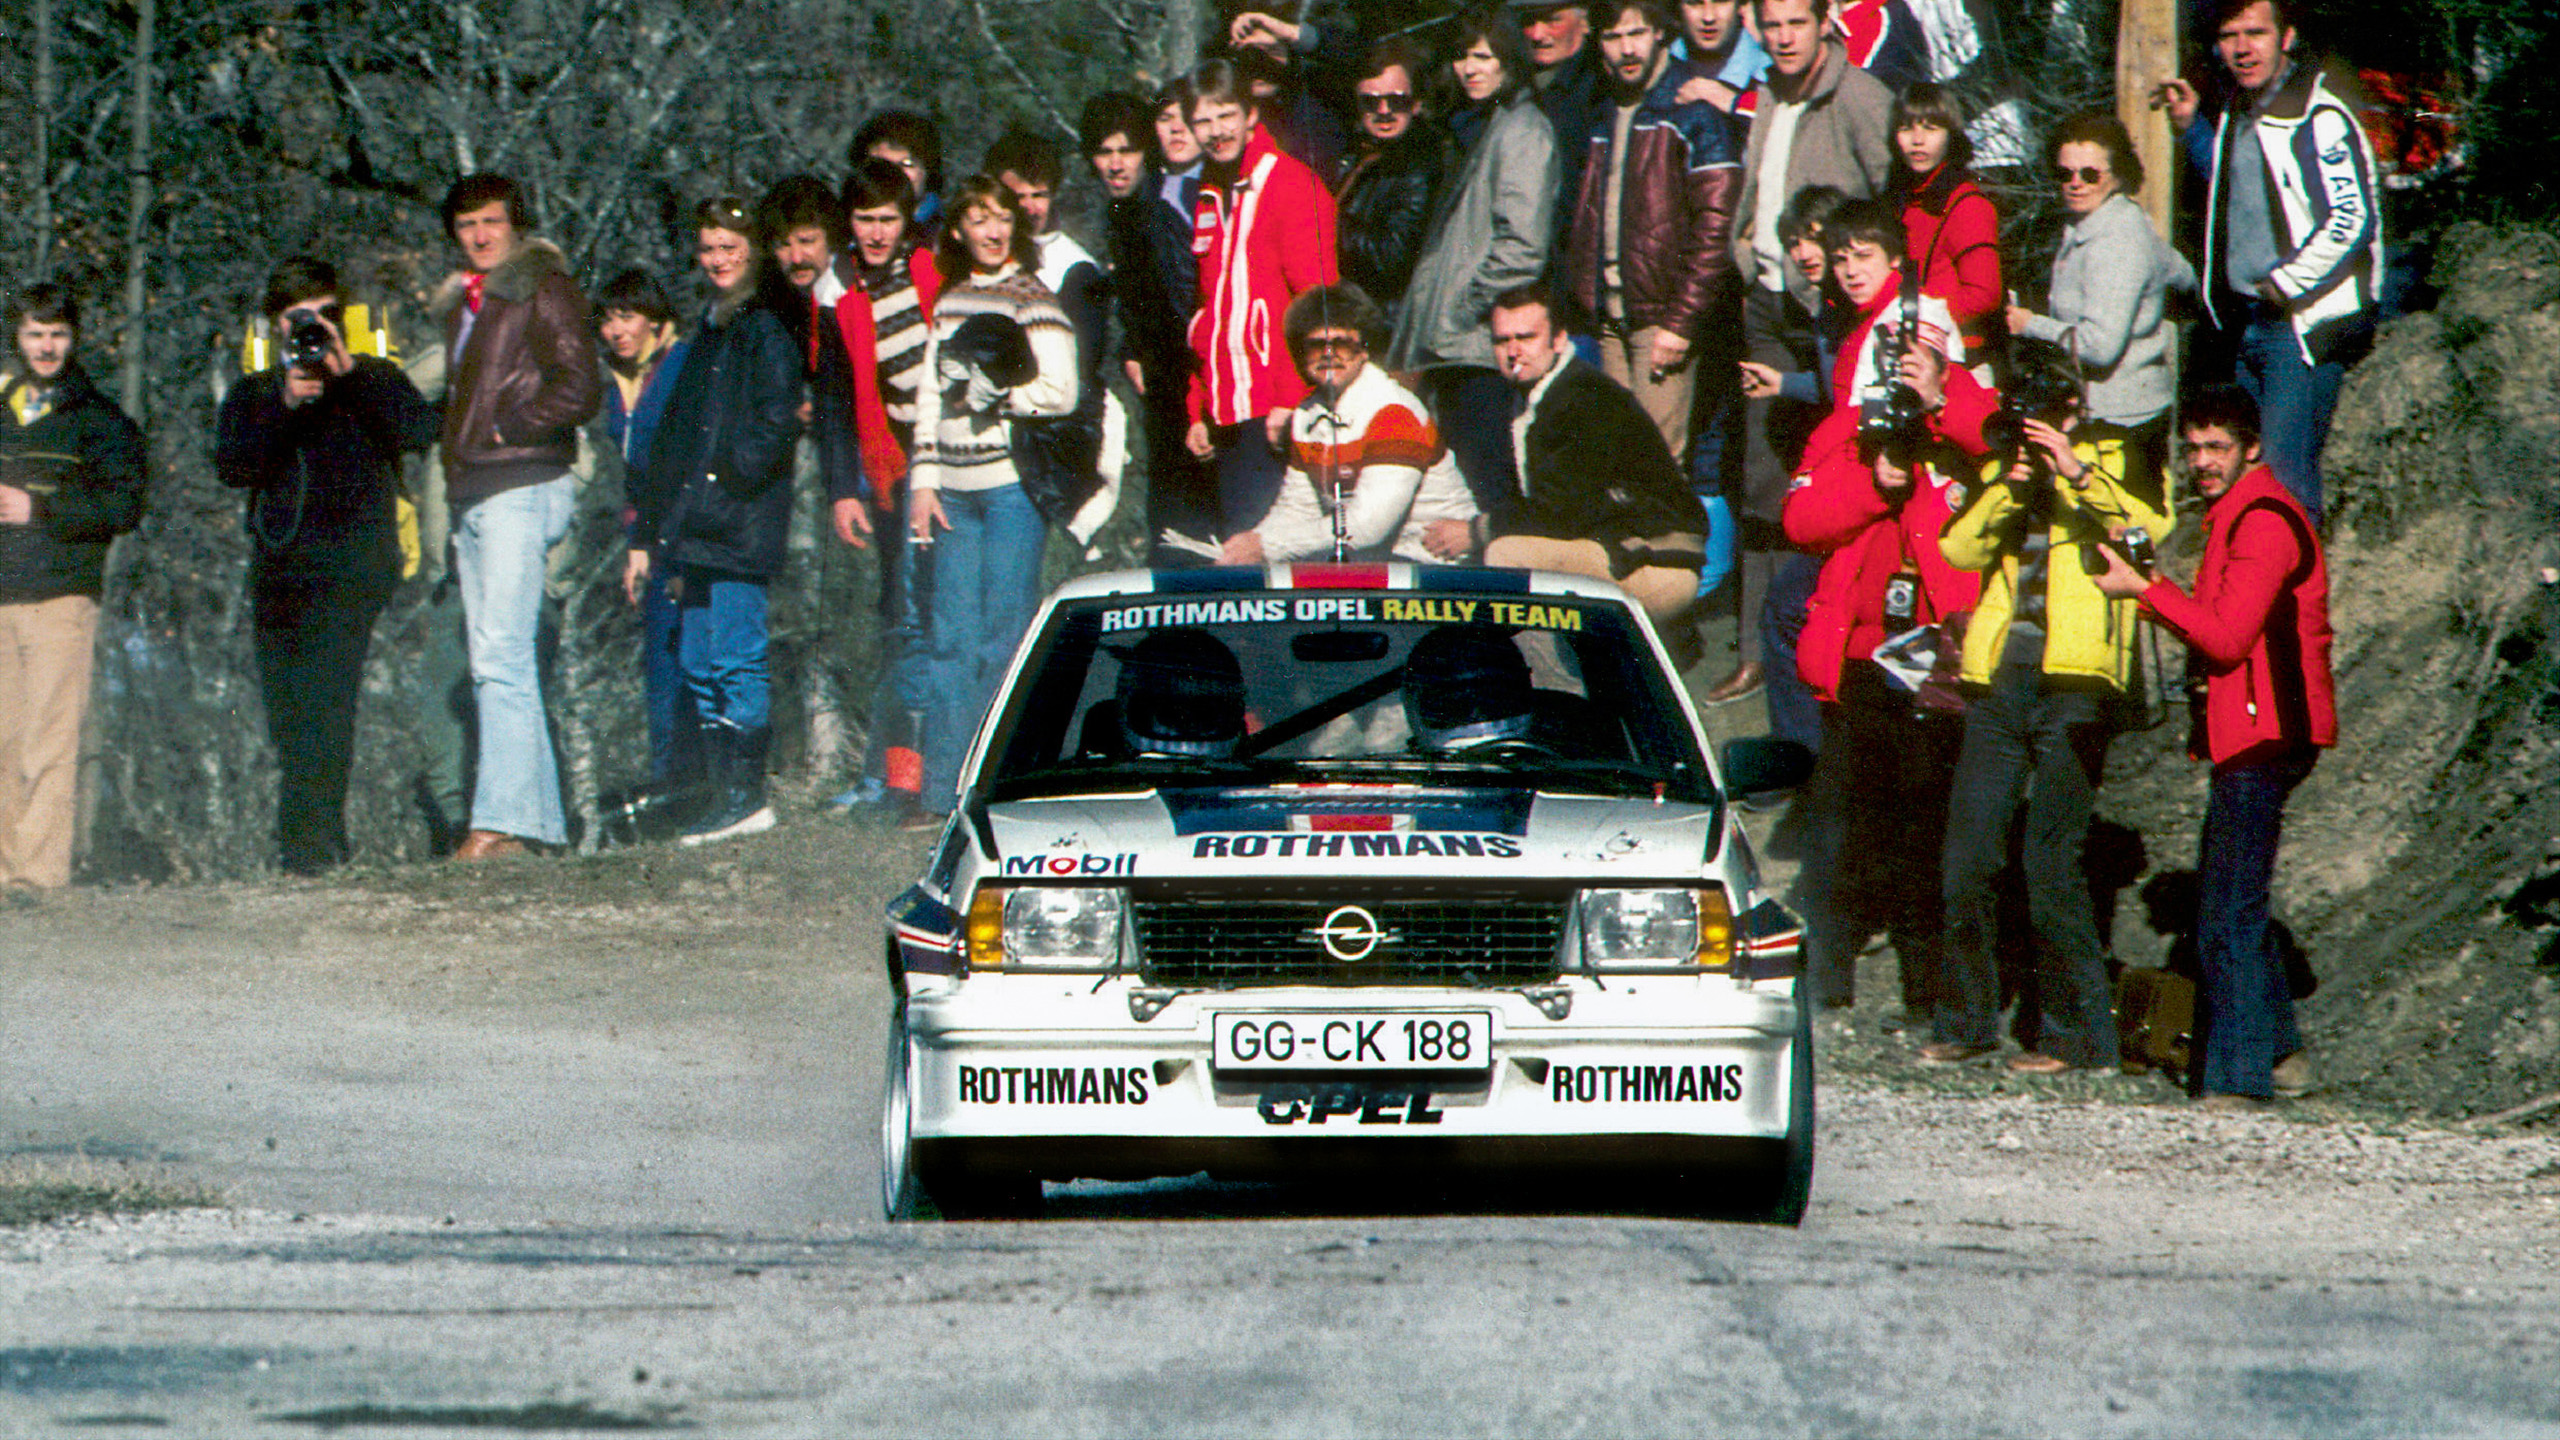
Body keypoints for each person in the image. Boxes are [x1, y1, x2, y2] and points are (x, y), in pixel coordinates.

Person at [1923, 341, 2173, 1074]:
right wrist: (2012, 484)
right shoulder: (2005, 466)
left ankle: (2077, 1035)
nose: (2034, 422)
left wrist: (2074, 470)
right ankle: (1967, 1020)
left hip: (2078, 683)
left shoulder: (2113, 451)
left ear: (2072, 405)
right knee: (1967, 858)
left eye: (2047, 409)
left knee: (2050, 863)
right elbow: (1959, 550)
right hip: (2002, 679)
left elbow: (2148, 531)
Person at [2092, 386, 2331, 1108]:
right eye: (2192, 448)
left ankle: (2238, 1080)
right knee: (2237, 903)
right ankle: (2281, 1056)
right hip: (2255, 727)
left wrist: (2147, 589)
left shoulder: (2261, 522)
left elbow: (2226, 637)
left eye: (2217, 447)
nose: (2202, 462)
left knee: (2226, 909)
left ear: (2251, 447)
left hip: (2266, 729)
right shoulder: (2238, 515)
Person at [1779, 250, 1984, 1011]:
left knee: (1925, 827)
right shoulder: (1846, 430)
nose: (1903, 371)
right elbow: (1801, 519)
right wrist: (1876, 478)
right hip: (1861, 653)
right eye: (1896, 357)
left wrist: (1942, 411)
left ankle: (1928, 989)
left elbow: (2001, 460)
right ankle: (1826, 979)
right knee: (1838, 828)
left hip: (1942, 651)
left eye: (1920, 358)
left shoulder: (1964, 427)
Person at [215, 258, 438, 875]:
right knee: (290, 715)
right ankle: (306, 847)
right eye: (298, 319)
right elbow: (233, 465)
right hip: (281, 570)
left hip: (351, 567)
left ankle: (315, 850)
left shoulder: (372, 377)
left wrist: (351, 375)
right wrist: (285, 402)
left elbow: (418, 430)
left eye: (325, 315)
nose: (313, 328)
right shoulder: (257, 390)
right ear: (275, 325)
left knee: (328, 704)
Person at [1719, 0, 1896, 706]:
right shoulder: (1767, 91)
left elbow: (1888, 200)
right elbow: (1755, 194)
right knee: (1763, 479)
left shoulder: (1859, 97)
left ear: (1826, 19)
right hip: (1767, 294)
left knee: (1833, 474)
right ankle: (1759, 649)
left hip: (1831, 302)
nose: (1784, 37)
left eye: (1797, 22)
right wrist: (1744, 257)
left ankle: (1829, 634)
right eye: (1772, 25)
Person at [430, 173, 602, 860]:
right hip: (473, 486)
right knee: (495, 658)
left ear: (516, 226)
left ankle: (499, 822)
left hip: (520, 482)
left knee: (500, 655)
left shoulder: (541, 286)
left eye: (491, 222)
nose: (478, 235)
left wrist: (511, 426)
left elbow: (580, 382)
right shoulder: (465, 303)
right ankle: (534, 829)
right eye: (466, 224)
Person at [2157, 0, 2380, 525]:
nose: (2241, 48)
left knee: (2286, 485)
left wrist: (2288, 281)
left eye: (2255, 33)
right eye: (2229, 35)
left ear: (2287, 37)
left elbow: (2351, 219)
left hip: (2300, 326)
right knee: (2249, 487)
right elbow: (2237, 183)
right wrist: (2192, 128)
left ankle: (2300, 607)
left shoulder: (2318, 118)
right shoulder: (2241, 109)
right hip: (2247, 323)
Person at [626, 198, 804, 845]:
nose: (718, 260)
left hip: (738, 524)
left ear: (752, 251)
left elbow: (773, 420)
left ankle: (749, 797)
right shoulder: (710, 329)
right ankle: (723, 795)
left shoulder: (764, 327)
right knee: (699, 658)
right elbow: (677, 433)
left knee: (735, 656)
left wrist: (730, 476)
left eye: (730, 247)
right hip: (698, 527)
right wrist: (656, 526)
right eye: (708, 249)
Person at [909, 175, 1080, 825]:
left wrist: (1002, 398)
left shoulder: (1033, 298)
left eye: (1002, 218)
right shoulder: (951, 301)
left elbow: (1061, 391)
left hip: (1010, 490)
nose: (992, 230)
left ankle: (997, 786)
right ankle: (940, 793)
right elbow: (929, 396)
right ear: (958, 229)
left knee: (1003, 638)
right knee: (950, 638)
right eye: (978, 219)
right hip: (953, 491)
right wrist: (923, 481)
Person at [1388, 6, 1558, 526]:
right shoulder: (1480, 127)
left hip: (1480, 344)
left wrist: (1465, 306)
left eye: (1483, 55)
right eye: (1462, 55)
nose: (1469, 67)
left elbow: (1523, 245)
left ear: (1509, 60)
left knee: (1486, 490)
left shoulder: (1524, 130)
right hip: (1454, 347)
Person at [0, 285, 145, 891]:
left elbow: (123, 505)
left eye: (57, 334)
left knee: (47, 742)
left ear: (74, 339)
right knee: (3, 742)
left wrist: (41, 510)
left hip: (60, 597)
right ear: (17, 339)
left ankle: (37, 879)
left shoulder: (100, 420)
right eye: (35, 334)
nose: (46, 346)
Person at [1561, 0, 1741, 463]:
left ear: (1660, 32)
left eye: (1636, 33)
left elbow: (1717, 225)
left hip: (1662, 318)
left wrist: (1680, 322)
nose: (1626, 49)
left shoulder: (1691, 106)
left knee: (1658, 464)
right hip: (1611, 319)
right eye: (1613, 37)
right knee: (1619, 462)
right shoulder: (1605, 109)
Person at [825, 159, 946, 824]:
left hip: (952, 461)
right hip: (893, 470)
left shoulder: (932, 271)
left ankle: (951, 772)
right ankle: (907, 781)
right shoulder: (845, 295)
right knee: (908, 622)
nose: (876, 233)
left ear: (908, 221)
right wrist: (847, 486)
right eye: (865, 220)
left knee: (950, 617)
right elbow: (840, 395)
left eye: (887, 220)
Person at [1481, 284, 1707, 624]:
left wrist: (1477, 529)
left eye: (1526, 337)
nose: (1513, 351)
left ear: (1558, 340)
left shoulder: (1584, 397)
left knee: (1506, 555)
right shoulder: (1529, 396)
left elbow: (1562, 514)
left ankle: (1555, 678)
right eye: (1502, 340)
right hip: (1609, 546)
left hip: (1656, 561)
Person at [1184, 57, 1341, 536]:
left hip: (1277, 409)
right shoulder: (1210, 192)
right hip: (1227, 410)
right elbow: (1210, 313)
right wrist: (1199, 408)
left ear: (1251, 113)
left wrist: (1293, 398)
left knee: (1272, 564)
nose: (1216, 131)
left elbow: (1318, 306)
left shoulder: (1290, 184)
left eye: (1226, 115)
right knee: (1237, 555)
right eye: (1203, 121)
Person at [1220, 284, 1478, 567]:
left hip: (1437, 564)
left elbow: (1367, 527)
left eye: (1341, 344)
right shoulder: (1306, 415)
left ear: (1364, 349)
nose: (1328, 354)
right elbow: (1298, 507)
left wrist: (1265, 546)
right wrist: (1245, 547)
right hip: (1375, 562)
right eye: (1315, 345)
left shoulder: (1394, 411)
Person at [2005, 110, 2195, 484]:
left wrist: (2030, 325)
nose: (2075, 183)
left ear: (2118, 175)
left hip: (2121, 422)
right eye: (2065, 173)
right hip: (2097, 411)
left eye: (2090, 174)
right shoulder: (2102, 222)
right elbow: (2181, 272)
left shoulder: (2116, 239)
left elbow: (2100, 346)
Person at [1087, 89, 1217, 566]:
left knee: (1189, 539)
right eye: (1104, 152)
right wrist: (1132, 346)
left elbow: (1186, 304)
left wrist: (1195, 393)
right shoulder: (1123, 212)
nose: (1116, 164)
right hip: (1165, 390)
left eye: (1127, 150)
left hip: (1194, 391)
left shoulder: (1165, 207)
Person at [596, 269, 698, 793]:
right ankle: (670, 784)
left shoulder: (681, 364)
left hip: (682, 531)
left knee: (690, 659)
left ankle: (697, 782)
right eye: (608, 320)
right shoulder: (613, 379)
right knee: (659, 664)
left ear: (655, 319)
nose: (616, 331)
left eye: (627, 317)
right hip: (643, 537)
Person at [1335, 37, 1456, 312]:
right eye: (1370, 102)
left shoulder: (1422, 163)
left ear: (1415, 103)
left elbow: (1391, 256)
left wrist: (1325, 222)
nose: (1384, 111)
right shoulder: (1360, 151)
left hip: (1387, 317)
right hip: (1353, 305)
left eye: (1397, 101)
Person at [1885, 82, 1999, 371]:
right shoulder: (1901, 198)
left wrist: (1917, 315)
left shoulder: (1967, 204)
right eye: (1906, 128)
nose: (1917, 140)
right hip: (1910, 349)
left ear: (1951, 136)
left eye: (1931, 128)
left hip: (1959, 356)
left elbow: (1983, 294)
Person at [1514, 0, 1604, 254]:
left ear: (1584, 22)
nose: (1538, 35)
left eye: (1553, 20)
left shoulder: (1598, 89)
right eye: (1529, 21)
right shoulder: (1517, 84)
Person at [1671, 0, 1770, 120]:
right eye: (1695, 2)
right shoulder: (1658, 64)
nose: (1708, 17)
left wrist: (1736, 103)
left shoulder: (1772, 74)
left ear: (1742, 6)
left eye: (1720, 1)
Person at [852, 110, 946, 232]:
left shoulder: (949, 233)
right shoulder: (844, 234)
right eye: (883, 164)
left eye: (907, 164)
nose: (895, 174)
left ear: (927, 170)